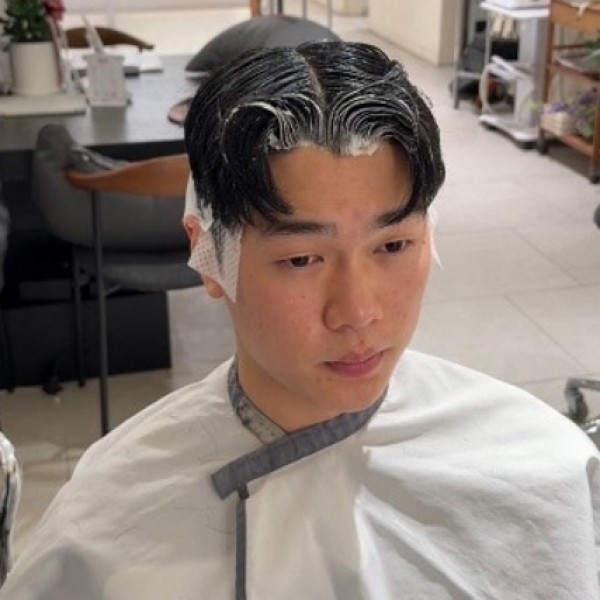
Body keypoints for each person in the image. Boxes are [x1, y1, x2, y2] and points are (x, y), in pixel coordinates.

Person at [2, 41, 599, 599]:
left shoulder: (540, 467)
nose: (357, 313)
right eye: (301, 259)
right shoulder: (107, 523)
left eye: (393, 246)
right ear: (207, 253)